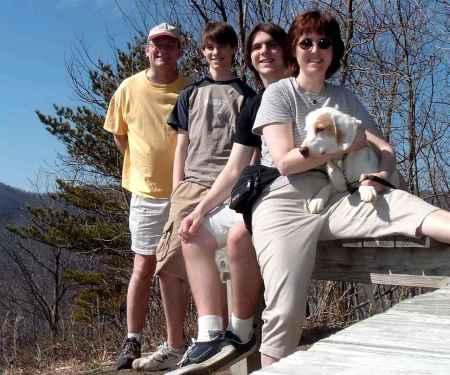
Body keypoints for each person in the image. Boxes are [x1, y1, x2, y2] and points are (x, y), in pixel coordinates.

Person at [251, 9, 450, 367]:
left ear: (334, 51)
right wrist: (346, 145)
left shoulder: (345, 99)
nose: (315, 49)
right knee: (284, 308)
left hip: (339, 193)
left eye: (323, 43)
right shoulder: (280, 94)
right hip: (287, 200)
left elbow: (383, 147)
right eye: (306, 42)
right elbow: (285, 161)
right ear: (294, 50)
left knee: (405, 206)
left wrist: (381, 176)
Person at [167, 23, 293, 374]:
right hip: (259, 198)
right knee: (194, 232)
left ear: (287, 52)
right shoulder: (253, 104)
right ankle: (210, 333)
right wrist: (201, 209)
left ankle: (241, 331)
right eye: (257, 47)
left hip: (293, 200)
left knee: (239, 236)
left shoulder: (301, 92)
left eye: (272, 46)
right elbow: (235, 167)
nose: (264, 52)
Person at [131, 21, 255, 371]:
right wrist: (177, 190)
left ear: (233, 51)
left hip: (228, 187)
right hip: (190, 188)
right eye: (209, 47)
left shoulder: (247, 95)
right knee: (167, 263)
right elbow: (181, 147)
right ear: (203, 52)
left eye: (222, 47)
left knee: (230, 259)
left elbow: (251, 152)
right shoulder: (191, 94)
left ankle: (229, 340)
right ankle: (176, 343)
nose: (216, 53)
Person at [103, 23, 188, 370]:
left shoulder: (190, 90)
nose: (162, 51)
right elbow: (119, 135)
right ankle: (133, 340)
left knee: (181, 270)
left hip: (185, 193)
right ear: (147, 49)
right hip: (146, 193)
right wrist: (141, 166)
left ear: (179, 51)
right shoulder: (128, 88)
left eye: (170, 45)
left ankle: (178, 343)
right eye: (157, 45)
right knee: (143, 266)